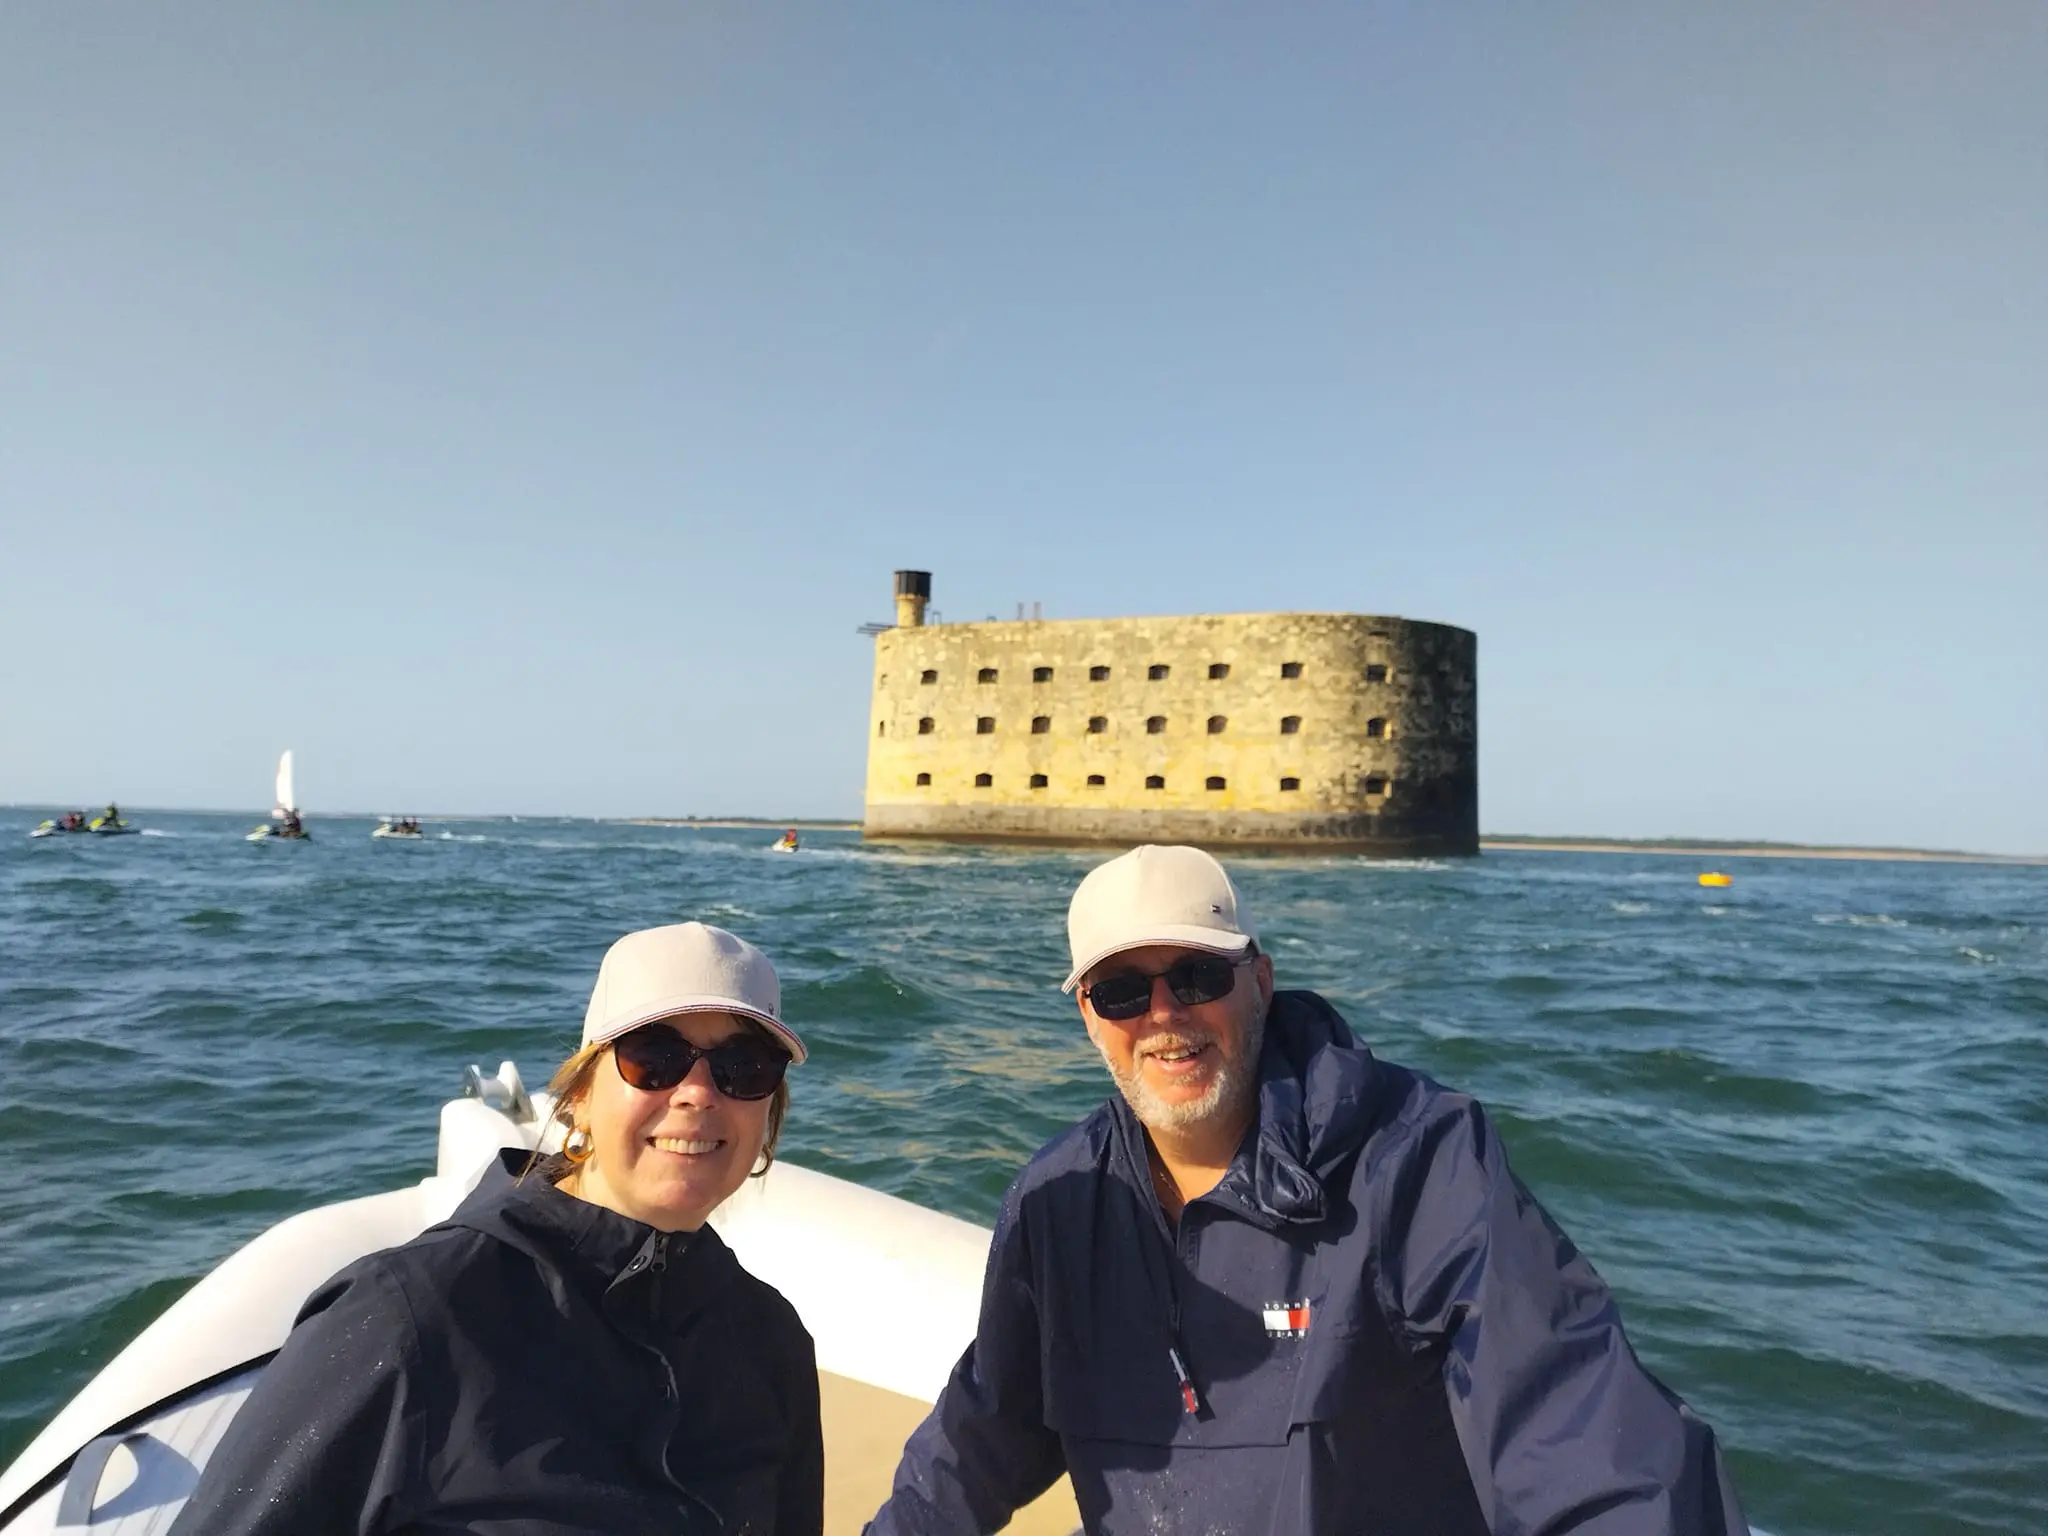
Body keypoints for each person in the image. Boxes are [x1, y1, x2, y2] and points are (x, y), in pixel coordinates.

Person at [869, 845, 1747, 1536]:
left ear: (1259, 981)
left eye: (1199, 977)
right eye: (1125, 990)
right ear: (1088, 1016)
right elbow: (985, 1433)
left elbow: (1575, 1427)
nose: (1166, 1015)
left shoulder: (1417, 1160)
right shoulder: (1057, 1202)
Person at [171, 922, 824, 1536]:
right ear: (580, 1097)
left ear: (768, 1113)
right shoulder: (412, 1316)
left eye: (745, 1066)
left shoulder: (769, 1341)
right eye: (654, 1057)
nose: (698, 1093)